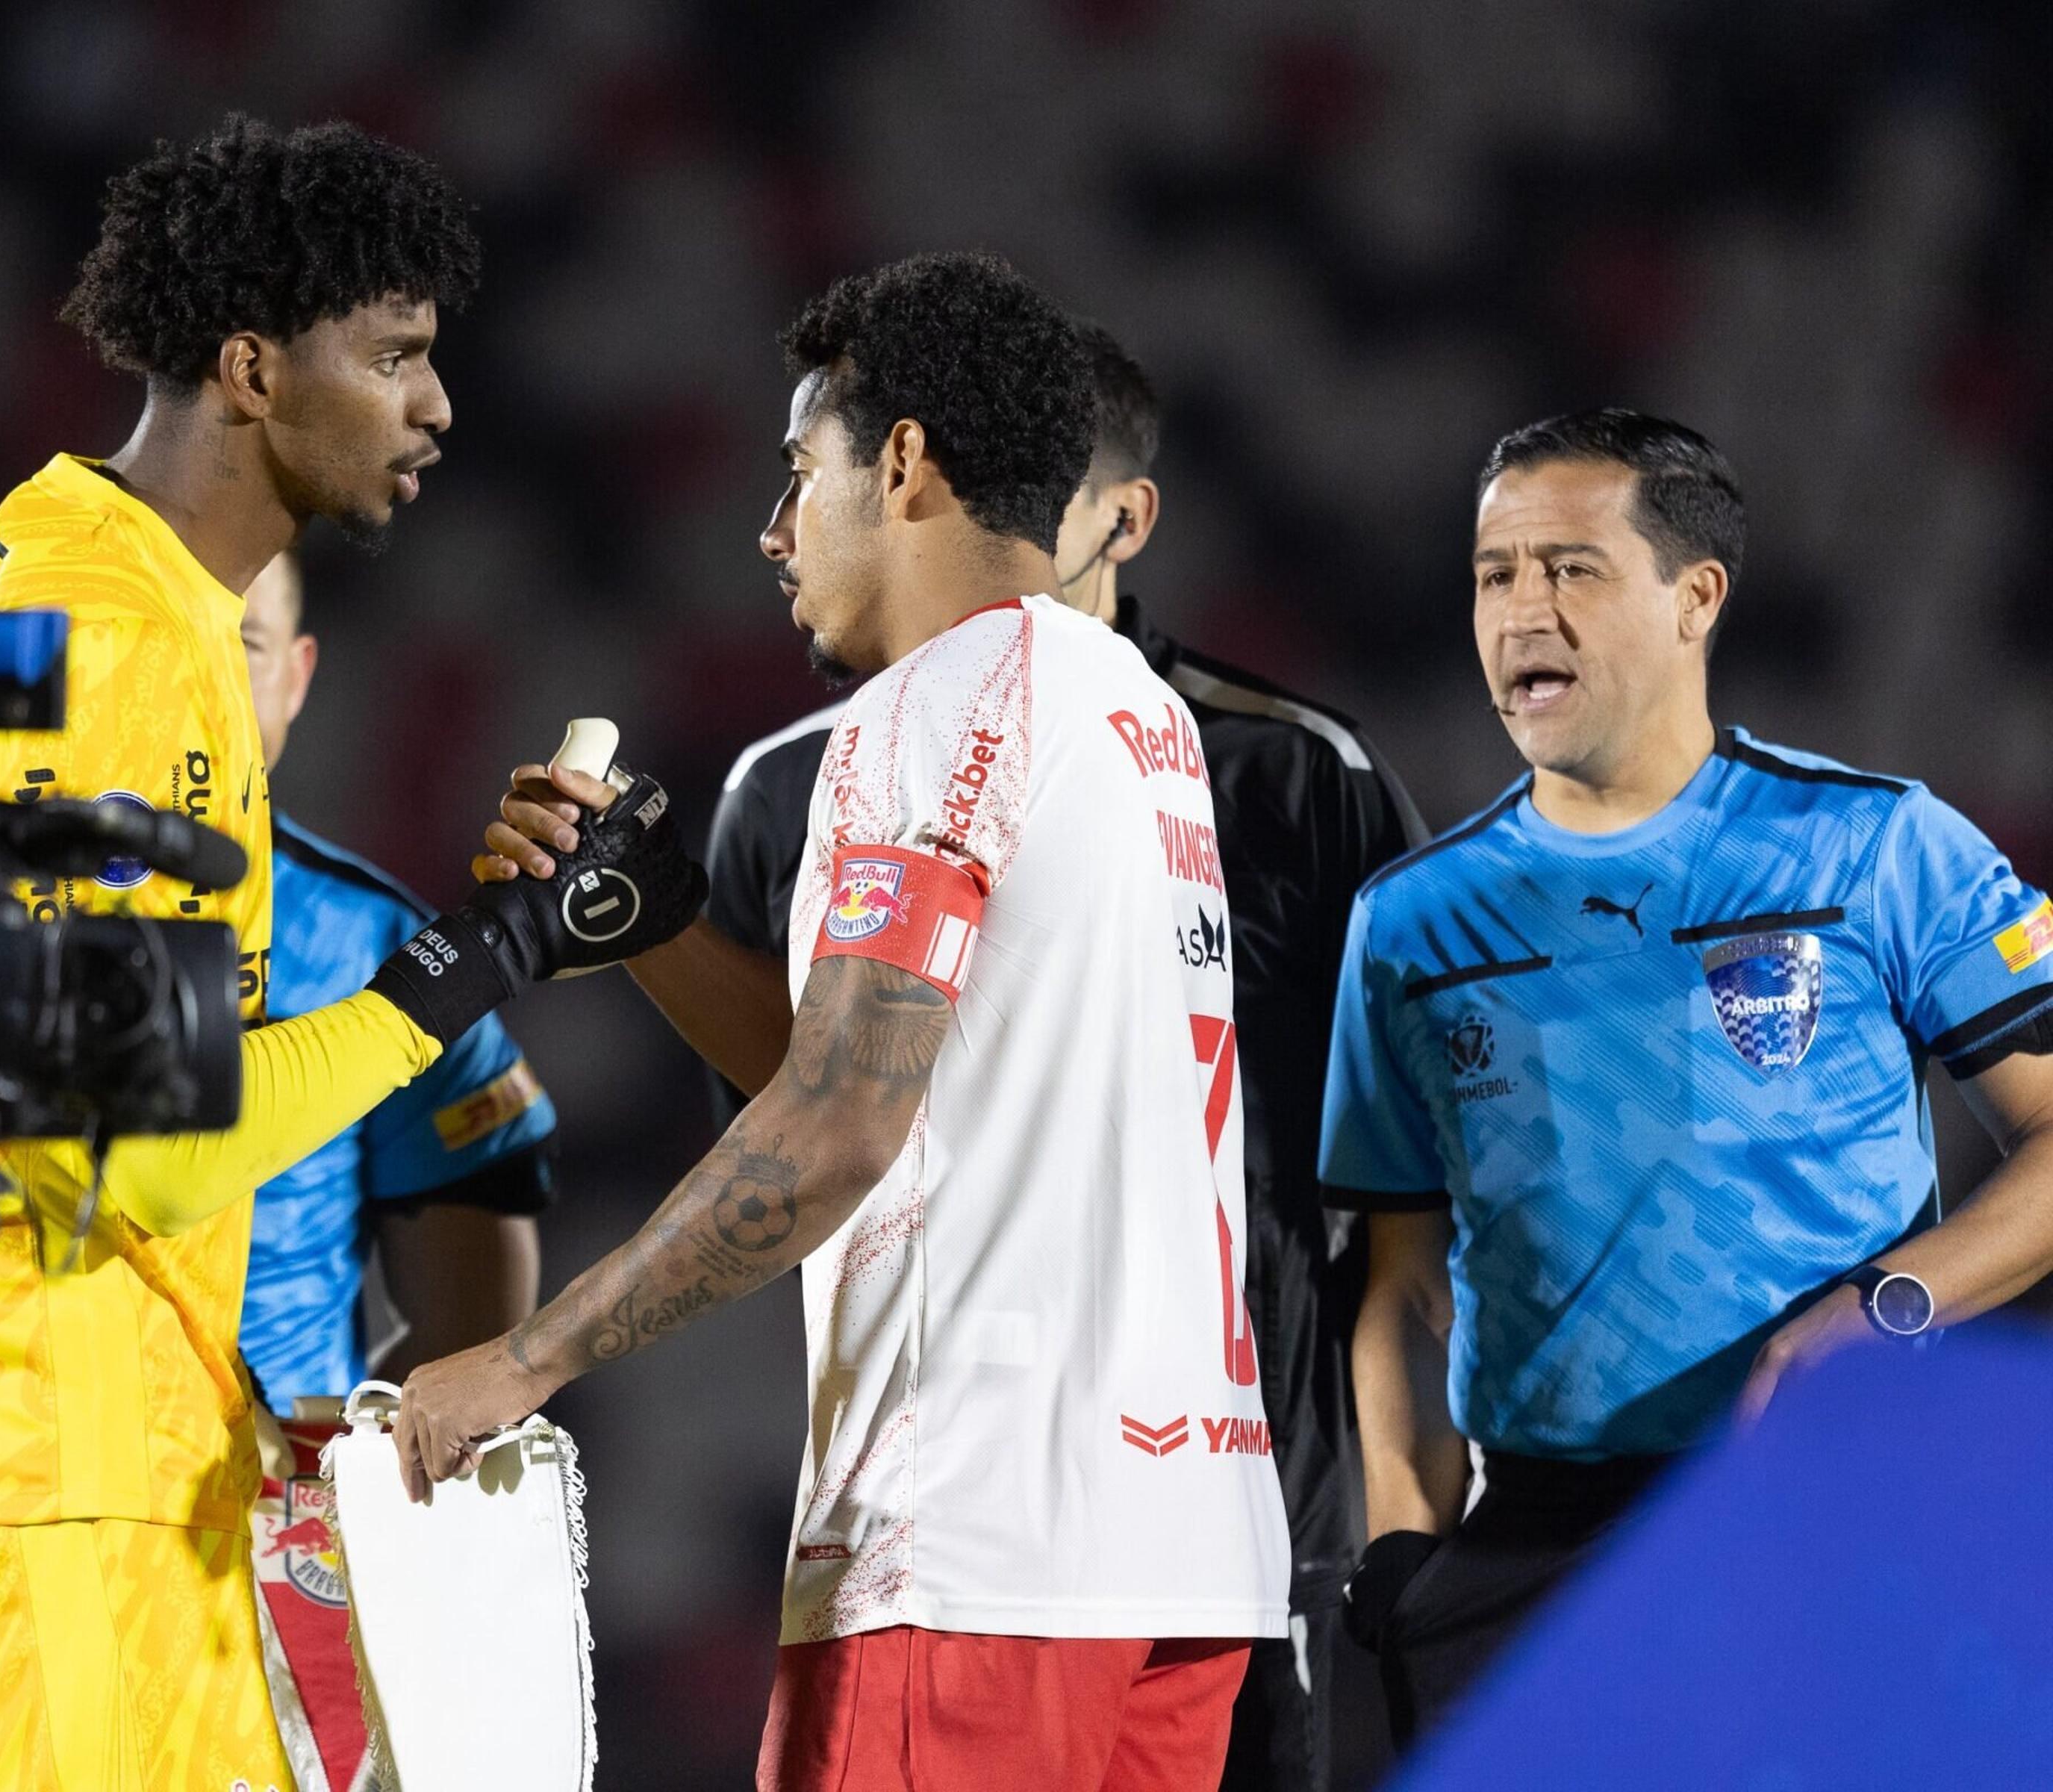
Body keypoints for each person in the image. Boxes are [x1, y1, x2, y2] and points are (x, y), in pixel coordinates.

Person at [0, 116, 702, 1792]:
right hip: (63, 1506)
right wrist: (473, 962)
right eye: (396, 354)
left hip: (75, 1481)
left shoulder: (55, 586)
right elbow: (150, 1152)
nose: (437, 406)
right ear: (256, 368)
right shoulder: (117, 638)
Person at [404, 252, 1289, 1792]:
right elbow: (908, 1086)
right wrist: (667, 930)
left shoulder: (930, 709)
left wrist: (525, 1359)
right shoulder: (1131, 711)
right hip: (1181, 1548)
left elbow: (840, 1128)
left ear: (902, 463)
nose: (771, 526)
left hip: (978, 1552)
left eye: (799, 469)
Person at [702, 323, 1424, 1792]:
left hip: (1237, 1531)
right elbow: (798, 1114)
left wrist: (1394, 1484)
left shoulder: (1296, 777)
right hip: (984, 1527)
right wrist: (644, 921)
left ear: (1121, 515)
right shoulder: (797, 785)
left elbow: (1414, 1173)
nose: (776, 533)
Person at [1323, 408, 2053, 1744]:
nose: (1522, 613)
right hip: (1528, 1557)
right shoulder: (1411, 921)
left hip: (1823, 1516)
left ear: (1695, 596)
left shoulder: (1876, 846)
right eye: (1496, 575)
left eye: (1572, 569)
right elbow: (1400, 1280)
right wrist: (1400, 1545)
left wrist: (1883, 1307)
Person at [234, 550, 558, 1785]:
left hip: (281, 1561)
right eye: (185, 636)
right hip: (27, 1520)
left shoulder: (372, 941)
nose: (212, 669)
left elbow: (479, 1314)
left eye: (249, 641)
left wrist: (365, 1508)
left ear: (302, 677)